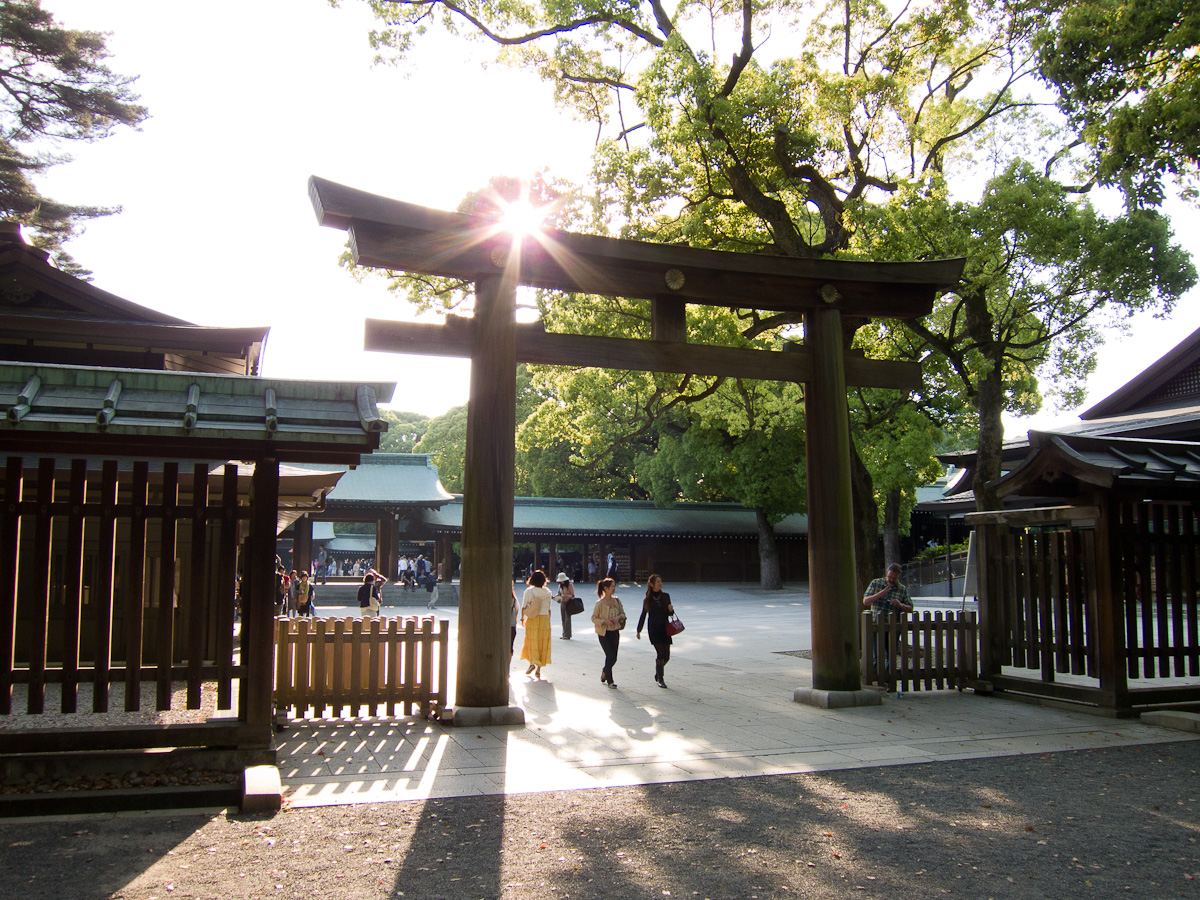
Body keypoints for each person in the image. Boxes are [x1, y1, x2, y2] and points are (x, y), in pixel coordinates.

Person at [862, 563, 914, 688]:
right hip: (876, 625)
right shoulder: (876, 583)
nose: (891, 580)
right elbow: (866, 601)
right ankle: (872, 679)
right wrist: (881, 594)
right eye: (890, 577)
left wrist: (900, 605)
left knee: (891, 654)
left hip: (892, 627)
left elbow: (910, 608)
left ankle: (887, 679)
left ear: (898, 578)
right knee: (877, 654)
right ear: (886, 575)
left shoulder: (901, 589)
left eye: (894, 578)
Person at [636, 574, 675, 688]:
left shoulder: (666, 596)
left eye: (661, 581)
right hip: (654, 629)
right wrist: (639, 630)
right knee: (660, 653)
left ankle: (658, 671)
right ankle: (661, 679)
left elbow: (670, 614)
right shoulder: (648, 599)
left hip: (665, 628)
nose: (660, 583)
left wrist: (671, 610)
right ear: (652, 584)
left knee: (667, 656)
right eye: (658, 582)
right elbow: (643, 615)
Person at [591, 577, 625, 688]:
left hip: (614, 631)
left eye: (614, 586)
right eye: (612, 587)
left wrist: (618, 617)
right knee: (610, 655)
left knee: (614, 657)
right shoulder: (599, 603)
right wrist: (604, 621)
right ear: (606, 588)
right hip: (604, 633)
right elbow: (593, 618)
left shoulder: (617, 601)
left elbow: (623, 614)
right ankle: (610, 681)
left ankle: (605, 671)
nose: (614, 589)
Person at [519, 570, 553, 679]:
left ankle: (532, 663)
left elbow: (524, 607)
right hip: (544, 619)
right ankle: (538, 669)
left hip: (533, 619)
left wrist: (522, 618)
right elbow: (548, 609)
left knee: (531, 641)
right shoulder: (548, 592)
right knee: (542, 644)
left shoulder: (529, 591)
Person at [553, 572, 577, 640]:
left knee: (567, 619)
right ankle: (564, 633)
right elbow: (559, 593)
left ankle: (567, 634)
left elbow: (572, 595)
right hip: (562, 603)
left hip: (569, 602)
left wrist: (565, 596)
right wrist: (554, 597)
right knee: (563, 618)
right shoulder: (560, 586)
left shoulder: (570, 585)